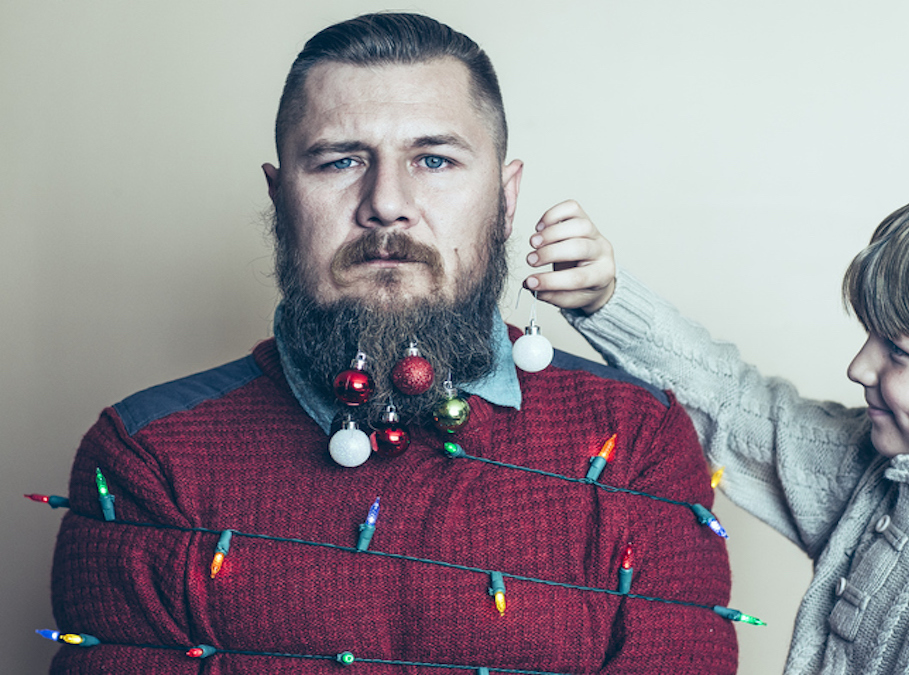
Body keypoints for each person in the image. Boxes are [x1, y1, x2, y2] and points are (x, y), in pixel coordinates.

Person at [47, 13, 737, 674]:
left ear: (504, 199)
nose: (386, 202)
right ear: (280, 196)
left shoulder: (636, 441)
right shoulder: (147, 458)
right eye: (340, 161)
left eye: (433, 160)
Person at [527, 167, 909, 674]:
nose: (859, 367)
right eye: (869, 338)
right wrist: (608, 301)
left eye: (900, 352)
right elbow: (737, 407)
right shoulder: (883, 470)